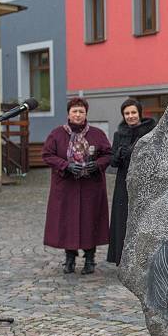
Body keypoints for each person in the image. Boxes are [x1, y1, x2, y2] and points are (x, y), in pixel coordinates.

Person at [42, 98, 112, 274]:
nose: (78, 114)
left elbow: (108, 154)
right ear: (68, 114)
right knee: (68, 222)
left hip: (91, 187)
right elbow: (47, 155)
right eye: (75, 111)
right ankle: (70, 258)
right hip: (66, 186)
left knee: (90, 221)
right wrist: (65, 165)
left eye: (81, 111)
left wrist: (97, 165)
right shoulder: (57, 134)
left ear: (86, 113)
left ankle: (90, 259)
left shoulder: (97, 134)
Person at [107, 98, 156, 265]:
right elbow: (112, 162)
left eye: (133, 112)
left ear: (140, 114)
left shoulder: (150, 131)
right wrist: (119, 154)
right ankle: (122, 257)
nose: (130, 116)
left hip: (144, 181)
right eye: (127, 113)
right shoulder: (119, 133)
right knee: (123, 218)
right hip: (123, 181)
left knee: (144, 218)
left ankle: (143, 257)